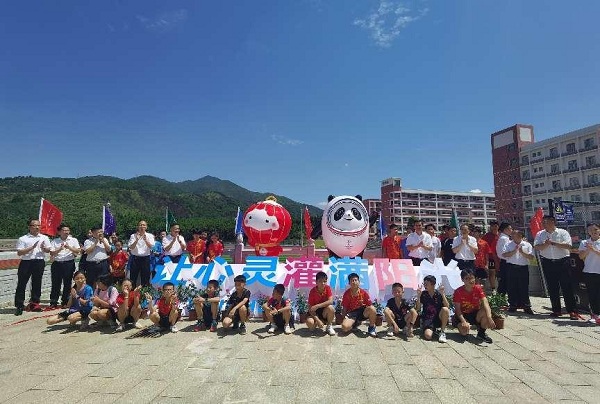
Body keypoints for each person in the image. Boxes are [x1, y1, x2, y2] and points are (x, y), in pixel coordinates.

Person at [534, 215, 578, 319]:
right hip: (548, 262)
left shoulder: (563, 232)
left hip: (563, 262)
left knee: (566, 286)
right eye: (543, 222)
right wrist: (545, 244)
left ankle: (572, 311)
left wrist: (553, 243)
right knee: (552, 287)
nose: (544, 224)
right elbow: (536, 247)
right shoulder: (540, 234)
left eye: (545, 222)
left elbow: (568, 246)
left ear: (553, 222)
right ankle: (556, 310)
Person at [14, 219, 52, 315]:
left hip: (39, 262)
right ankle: (19, 305)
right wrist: (31, 248)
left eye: (38, 225)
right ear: (29, 227)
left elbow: (48, 250)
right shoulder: (23, 238)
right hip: (26, 262)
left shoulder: (44, 237)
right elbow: (19, 252)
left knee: (37, 283)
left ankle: (34, 304)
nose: (37, 227)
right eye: (34, 225)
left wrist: (44, 248)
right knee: (22, 283)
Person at [452, 268, 496, 343]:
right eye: (467, 278)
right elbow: (458, 310)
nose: (471, 280)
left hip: (474, 313)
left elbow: (485, 303)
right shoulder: (458, 292)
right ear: (462, 280)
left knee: (485, 311)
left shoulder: (478, 288)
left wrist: (489, 318)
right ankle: (459, 324)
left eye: (472, 278)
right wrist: (463, 321)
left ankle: (481, 334)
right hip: (463, 314)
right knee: (464, 332)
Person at [48, 223, 81, 309]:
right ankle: (53, 301)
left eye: (68, 230)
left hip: (68, 263)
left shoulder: (73, 240)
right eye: (64, 230)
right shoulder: (55, 241)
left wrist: (69, 247)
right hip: (57, 263)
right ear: (59, 232)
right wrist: (60, 249)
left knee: (67, 283)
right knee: (56, 283)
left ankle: (65, 301)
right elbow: (52, 253)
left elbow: (78, 251)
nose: (66, 232)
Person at [502, 230, 534, 314]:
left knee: (524, 287)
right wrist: (514, 251)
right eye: (512, 234)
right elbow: (504, 254)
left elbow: (531, 257)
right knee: (511, 286)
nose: (512, 236)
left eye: (514, 234)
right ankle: (513, 305)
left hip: (523, 268)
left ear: (520, 236)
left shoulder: (527, 244)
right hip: (511, 267)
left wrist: (522, 252)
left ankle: (526, 306)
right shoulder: (508, 244)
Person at [341, 273, 378, 337]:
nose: (354, 282)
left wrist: (364, 305)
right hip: (352, 314)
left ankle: (371, 328)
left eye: (356, 280)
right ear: (349, 283)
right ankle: (354, 324)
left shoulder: (364, 293)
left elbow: (370, 306)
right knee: (345, 328)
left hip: (362, 313)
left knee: (372, 308)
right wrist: (344, 319)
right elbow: (344, 308)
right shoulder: (346, 294)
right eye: (352, 280)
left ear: (359, 282)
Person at [415, 275, 450, 343]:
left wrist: (443, 294)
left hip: (438, 317)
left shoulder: (439, 294)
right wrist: (418, 296)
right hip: (428, 318)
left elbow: (447, 306)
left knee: (445, 309)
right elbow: (418, 308)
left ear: (433, 284)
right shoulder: (423, 294)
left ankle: (442, 332)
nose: (425, 286)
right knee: (428, 336)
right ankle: (433, 330)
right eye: (424, 284)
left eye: (426, 284)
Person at [579, 223, 600, 324]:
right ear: (588, 232)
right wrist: (588, 249)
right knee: (592, 294)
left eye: (595, 229)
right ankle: (595, 314)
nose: (593, 231)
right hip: (589, 271)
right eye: (591, 230)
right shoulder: (584, 242)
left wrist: (594, 249)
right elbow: (581, 256)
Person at [306, 271, 336, 336]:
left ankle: (329, 326)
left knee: (331, 308)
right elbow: (310, 309)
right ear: (316, 282)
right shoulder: (312, 291)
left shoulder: (327, 288)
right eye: (320, 281)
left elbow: (330, 301)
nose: (323, 283)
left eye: (325, 281)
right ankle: (320, 322)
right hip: (315, 313)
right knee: (310, 325)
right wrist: (318, 320)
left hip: (324, 312)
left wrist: (317, 306)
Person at [128, 221, 155, 288]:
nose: (142, 226)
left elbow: (151, 247)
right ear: (138, 226)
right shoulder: (133, 236)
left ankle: (145, 292)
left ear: (146, 227)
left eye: (144, 225)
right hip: (135, 258)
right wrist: (136, 240)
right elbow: (131, 247)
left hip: (145, 258)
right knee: (133, 277)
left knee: (145, 278)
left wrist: (146, 240)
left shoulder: (150, 235)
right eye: (140, 225)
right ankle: (132, 292)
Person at [482, 221, 500, 293]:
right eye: (492, 226)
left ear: (498, 227)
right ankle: (493, 289)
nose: (494, 227)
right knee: (492, 273)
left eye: (495, 226)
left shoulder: (501, 235)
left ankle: (501, 289)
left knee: (500, 274)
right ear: (490, 227)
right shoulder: (487, 236)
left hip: (500, 258)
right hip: (491, 258)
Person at [495, 222, 513, 295]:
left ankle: (501, 297)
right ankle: (500, 297)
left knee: (504, 280)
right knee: (505, 281)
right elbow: (504, 252)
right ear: (505, 229)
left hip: (505, 261)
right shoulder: (504, 239)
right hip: (506, 261)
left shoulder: (505, 238)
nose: (511, 230)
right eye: (510, 228)